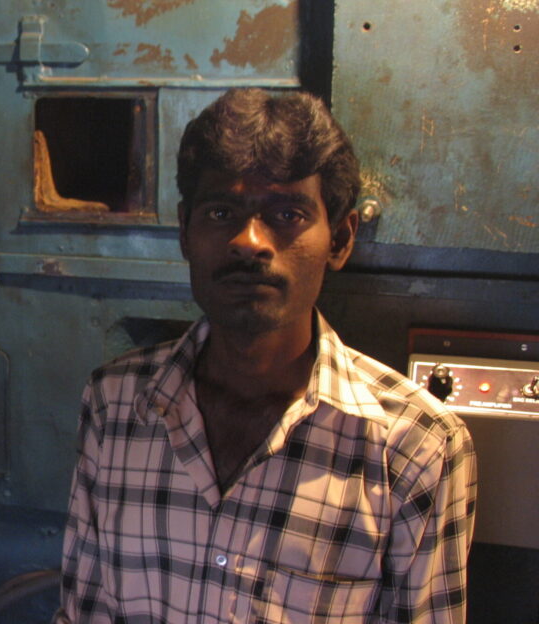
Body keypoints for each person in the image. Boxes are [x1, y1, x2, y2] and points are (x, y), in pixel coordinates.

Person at [55, 89, 476, 623]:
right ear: (185, 231)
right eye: (221, 211)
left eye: (286, 212)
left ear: (341, 240)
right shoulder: (115, 406)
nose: (249, 241)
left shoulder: (416, 448)